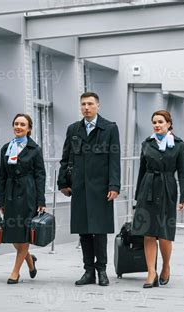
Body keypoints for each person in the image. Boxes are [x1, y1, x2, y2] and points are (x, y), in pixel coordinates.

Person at [57, 92, 121, 287]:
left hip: (101, 188)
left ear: (98, 106)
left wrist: (114, 185)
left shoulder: (109, 128)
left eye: (90, 104)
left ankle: (102, 270)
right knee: (84, 230)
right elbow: (66, 158)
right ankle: (88, 271)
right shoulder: (73, 129)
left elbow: (114, 160)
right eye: (83, 104)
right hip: (79, 187)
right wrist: (63, 183)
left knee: (99, 230)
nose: (86, 107)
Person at [132, 110, 184, 288]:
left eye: (160, 122)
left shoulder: (179, 145)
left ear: (169, 124)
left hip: (167, 189)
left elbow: (183, 173)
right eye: (154, 122)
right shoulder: (146, 144)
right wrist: (137, 197)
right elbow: (141, 171)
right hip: (147, 189)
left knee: (165, 234)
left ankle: (165, 266)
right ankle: (151, 272)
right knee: (148, 232)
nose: (157, 125)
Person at [0, 113, 46, 284]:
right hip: (10, 194)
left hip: (28, 194)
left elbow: (40, 175)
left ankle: (15, 272)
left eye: (22, 124)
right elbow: (2, 175)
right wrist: (1, 199)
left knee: (24, 234)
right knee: (13, 235)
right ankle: (30, 261)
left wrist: (41, 200)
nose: (18, 127)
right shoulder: (6, 148)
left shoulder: (35, 149)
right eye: (16, 123)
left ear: (29, 129)